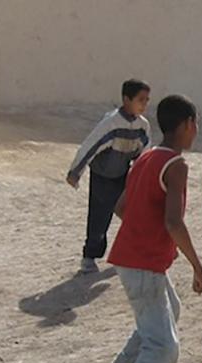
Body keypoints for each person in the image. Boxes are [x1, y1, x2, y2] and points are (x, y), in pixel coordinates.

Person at [102, 95, 202, 363]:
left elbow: (121, 207)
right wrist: (197, 265)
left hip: (132, 259)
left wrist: (143, 235)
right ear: (188, 124)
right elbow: (174, 222)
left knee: (170, 310)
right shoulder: (176, 165)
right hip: (143, 264)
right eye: (196, 124)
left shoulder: (147, 157)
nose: (196, 131)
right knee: (164, 347)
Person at [67, 79, 151, 274]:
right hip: (103, 177)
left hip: (124, 175)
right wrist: (75, 172)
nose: (145, 104)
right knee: (99, 217)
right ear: (126, 99)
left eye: (147, 100)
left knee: (133, 213)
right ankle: (89, 257)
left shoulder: (142, 126)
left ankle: (131, 252)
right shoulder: (111, 123)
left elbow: (144, 154)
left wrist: (142, 178)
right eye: (141, 99)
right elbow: (90, 147)